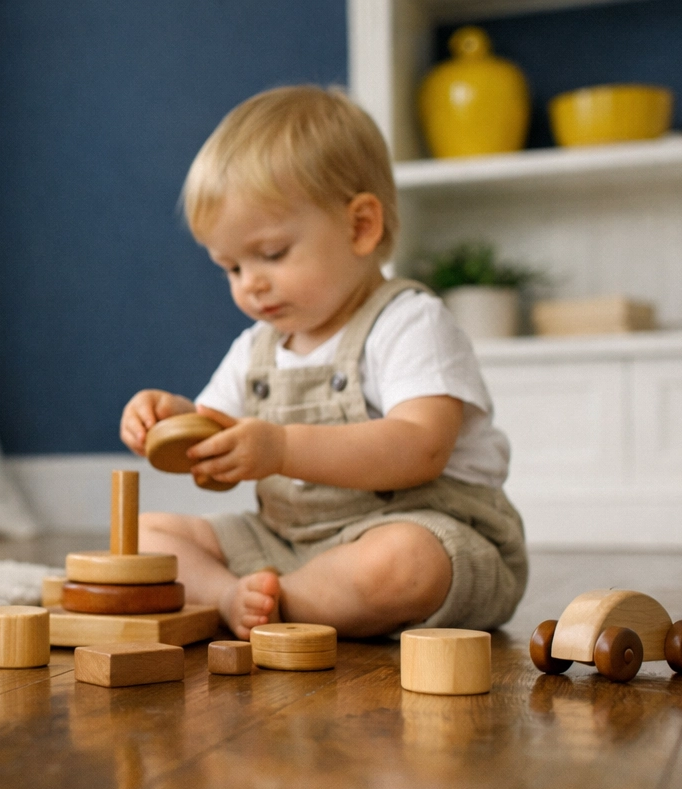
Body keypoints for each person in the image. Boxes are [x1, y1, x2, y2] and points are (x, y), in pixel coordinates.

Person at [120, 85, 526, 639]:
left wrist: (282, 449)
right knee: (144, 535)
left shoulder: (410, 322)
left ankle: (286, 603)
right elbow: (214, 437)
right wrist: (170, 420)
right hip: (286, 542)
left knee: (404, 563)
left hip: (421, 527)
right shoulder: (256, 347)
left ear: (361, 226)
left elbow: (421, 447)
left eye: (271, 254)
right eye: (230, 267)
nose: (250, 285)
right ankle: (236, 600)